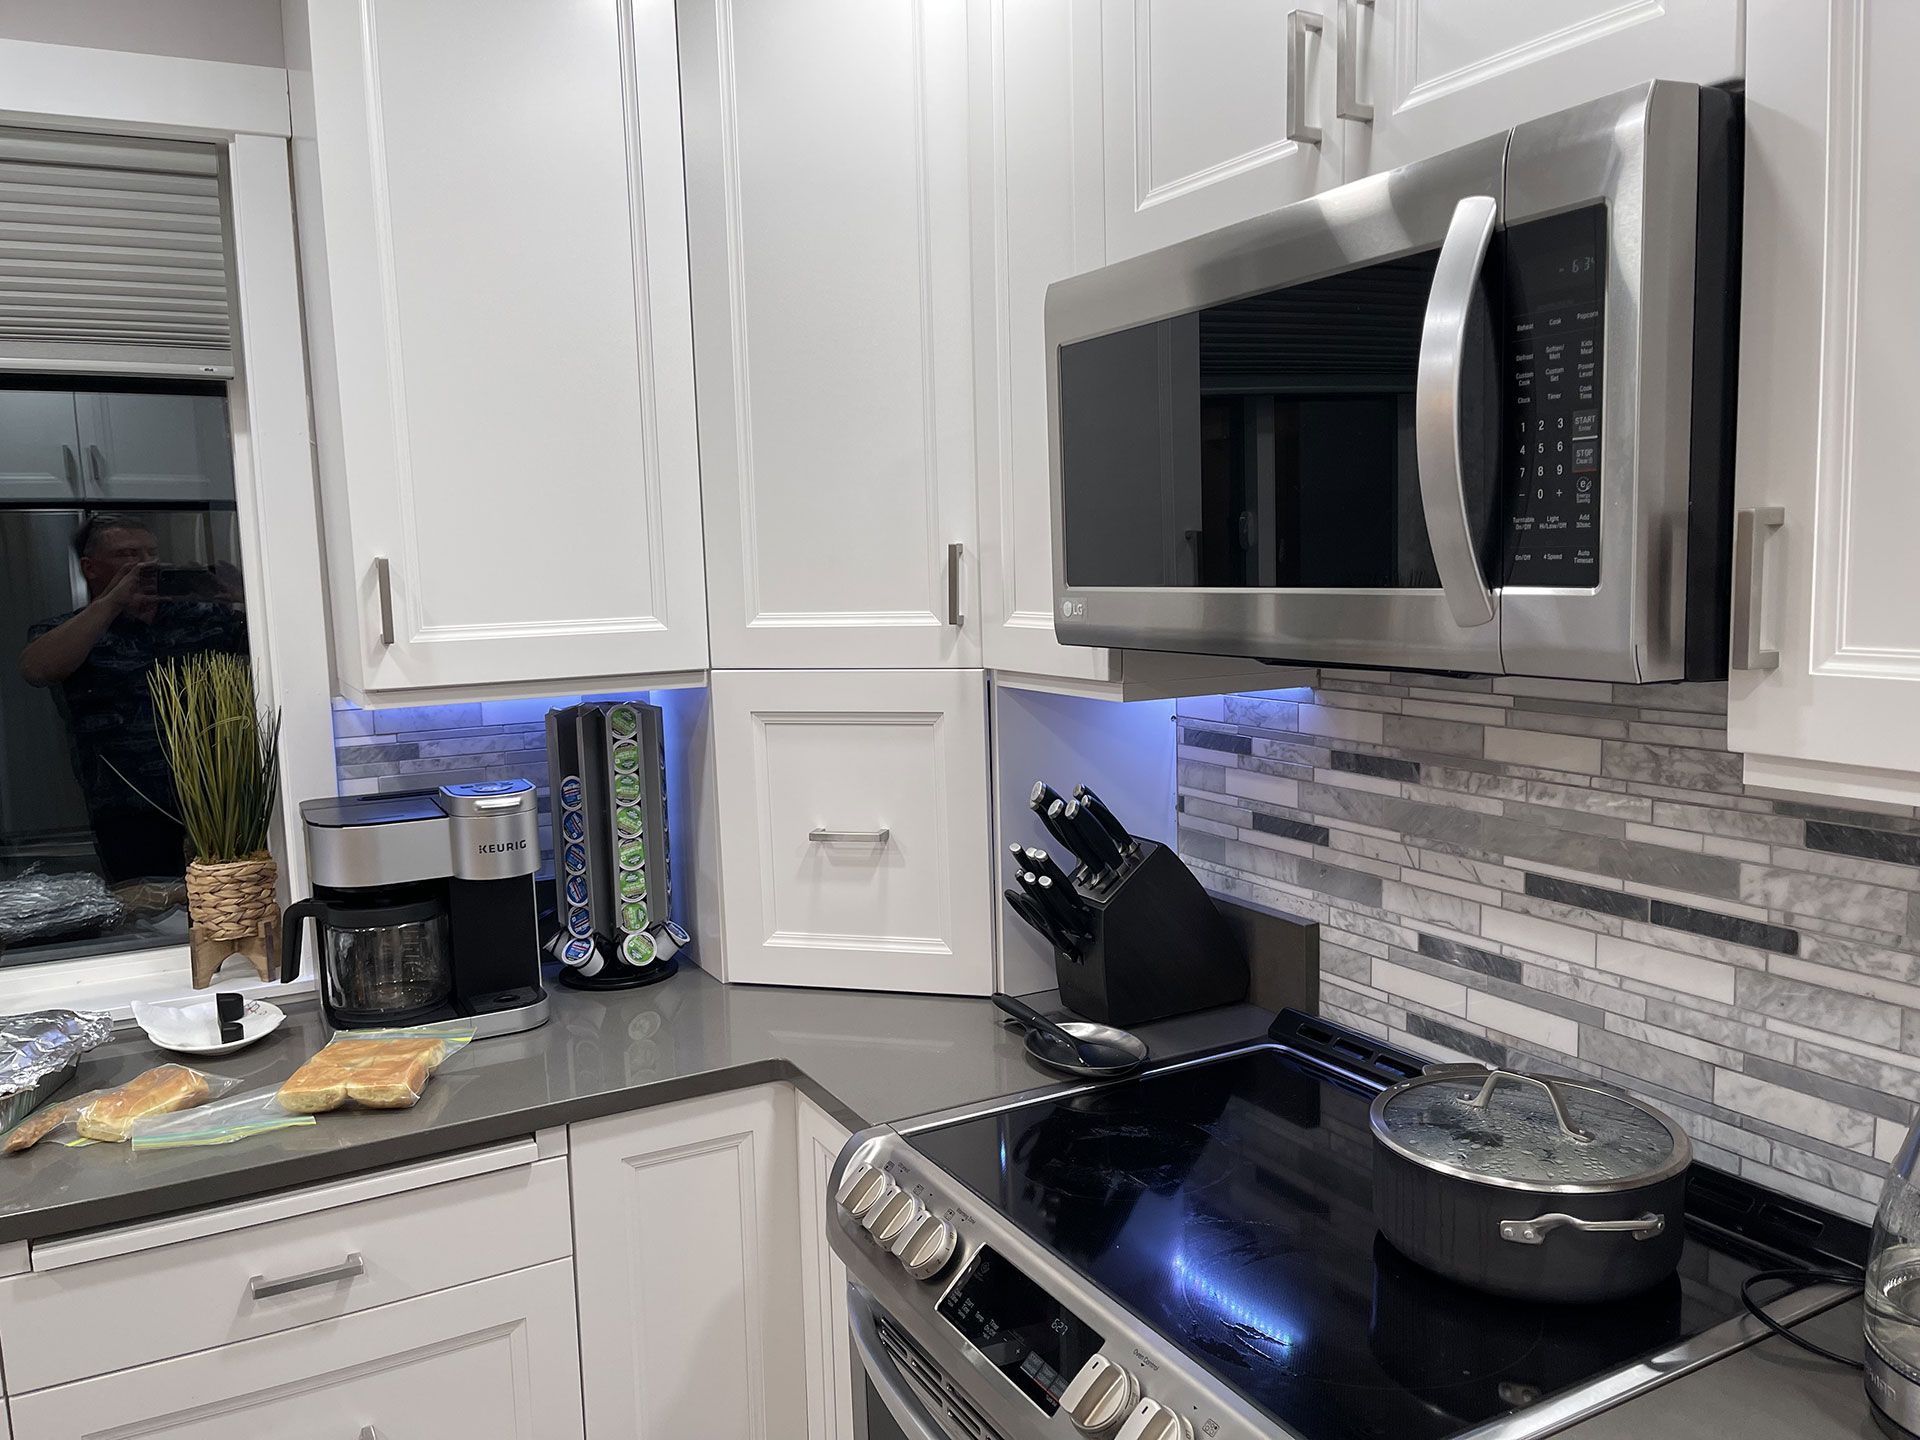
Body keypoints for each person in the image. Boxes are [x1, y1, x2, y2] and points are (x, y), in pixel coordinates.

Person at [18, 514, 248, 885]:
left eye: (151, 552)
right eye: (127, 554)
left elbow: (280, 649)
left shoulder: (201, 617)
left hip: (217, 802)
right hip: (128, 810)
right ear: (90, 568)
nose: (145, 563)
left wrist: (246, 595)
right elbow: (37, 668)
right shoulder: (70, 630)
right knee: (147, 912)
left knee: (228, 904)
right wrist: (112, 603)